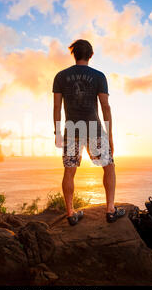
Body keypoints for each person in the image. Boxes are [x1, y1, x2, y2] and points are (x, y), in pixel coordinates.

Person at [52, 39, 125, 226]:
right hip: (93, 128)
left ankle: (70, 213)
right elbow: (106, 107)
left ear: (73, 53)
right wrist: (109, 136)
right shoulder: (99, 76)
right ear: (90, 55)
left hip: (71, 129)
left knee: (69, 171)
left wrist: (58, 132)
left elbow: (56, 107)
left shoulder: (60, 76)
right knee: (108, 167)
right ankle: (110, 210)